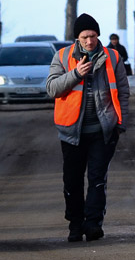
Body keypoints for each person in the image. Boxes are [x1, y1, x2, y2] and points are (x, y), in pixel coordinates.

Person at [45, 13, 129, 243]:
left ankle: (93, 224)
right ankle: (75, 224)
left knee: (97, 179)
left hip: (103, 132)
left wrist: (120, 124)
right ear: (77, 38)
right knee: (72, 180)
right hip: (72, 133)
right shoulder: (62, 57)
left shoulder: (112, 57)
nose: (89, 41)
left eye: (92, 36)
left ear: (98, 35)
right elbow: (52, 89)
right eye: (84, 37)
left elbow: (122, 92)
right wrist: (75, 74)